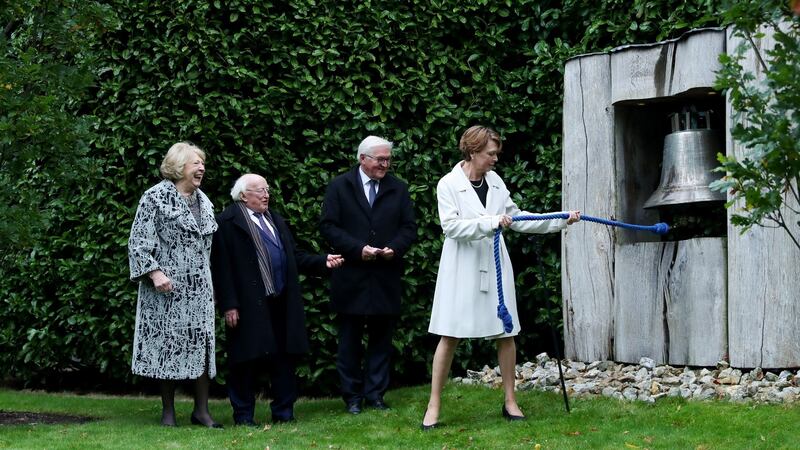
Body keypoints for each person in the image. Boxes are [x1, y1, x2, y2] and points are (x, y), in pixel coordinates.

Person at [421, 126, 580, 430]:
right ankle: (434, 405)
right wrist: (491, 222)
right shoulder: (448, 184)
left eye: (496, 154)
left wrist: (559, 220)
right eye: (491, 153)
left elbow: (517, 218)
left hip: (495, 266)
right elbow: (451, 227)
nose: (495, 159)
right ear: (472, 151)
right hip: (461, 267)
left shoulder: (495, 182)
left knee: (506, 333)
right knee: (449, 333)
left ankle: (510, 400)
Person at [211, 174, 344, 426]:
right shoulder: (227, 222)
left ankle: (284, 412)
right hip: (248, 304)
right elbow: (221, 267)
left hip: (281, 300)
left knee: (284, 359)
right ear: (243, 195)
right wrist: (229, 304)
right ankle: (243, 416)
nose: (266, 194)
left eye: (267, 189)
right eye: (259, 190)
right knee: (245, 361)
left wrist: (322, 261)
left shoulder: (275, 219)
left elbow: (293, 256)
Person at [320, 135, 417, 414]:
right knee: (349, 340)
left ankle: (375, 395)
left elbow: (409, 227)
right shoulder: (340, 186)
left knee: (381, 339)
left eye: (388, 159)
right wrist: (356, 249)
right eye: (380, 159)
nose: (385, 164)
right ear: (362, 159)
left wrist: (394, 249)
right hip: (351, 274)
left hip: (385, 274)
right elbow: (328, 226)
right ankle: (352, 397)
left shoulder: (398, 188)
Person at [128, 142, 221, 428]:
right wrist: (155, 274)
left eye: (202, 164)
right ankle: (168, 412)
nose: (201, 168)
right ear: (179, 166)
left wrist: (212, 286)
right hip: (166, 290)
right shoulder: (155, 198)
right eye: (196, 163)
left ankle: (201, 411)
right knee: (167, 347)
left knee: (202, 348)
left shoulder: (204, 201)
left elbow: (207, 250)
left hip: (199, 291)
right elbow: (138, 243)